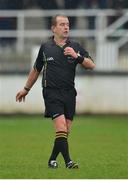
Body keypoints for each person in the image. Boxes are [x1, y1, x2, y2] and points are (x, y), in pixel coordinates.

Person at [16, 14, 95, 169]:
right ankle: (68, 162)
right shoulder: (46, 48)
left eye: (67, 24)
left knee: (65, 132)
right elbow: (36, 69)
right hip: (51, 93)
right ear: (53, 28)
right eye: (62, 24)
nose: (66, 27)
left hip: (69, 94)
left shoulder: (76, 47)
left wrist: (77, 56)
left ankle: (52, 159)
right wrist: (26, 89)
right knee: (61, 128)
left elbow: (91, 65)